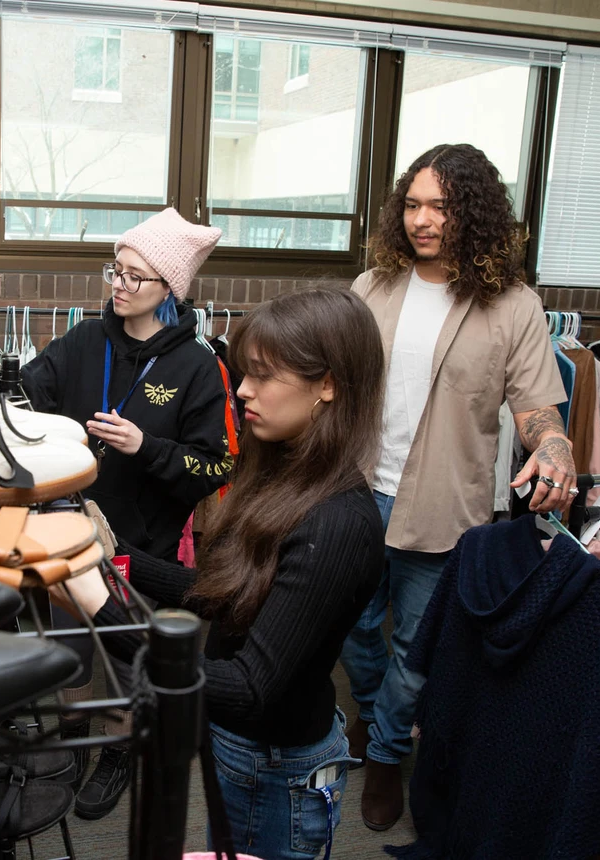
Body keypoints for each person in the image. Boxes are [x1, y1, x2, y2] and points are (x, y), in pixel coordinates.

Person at [58, 288, 386, 859]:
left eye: (264, 375)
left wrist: (101, 606)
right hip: (248, 755)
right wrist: (119, 559)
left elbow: (248, 690)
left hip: (277, 769)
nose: (242, 390)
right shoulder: (282, 477)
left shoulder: (336, 523)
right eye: (243, 372)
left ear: (328, 384)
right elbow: (227, 595)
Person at [339, 142, 575, 831]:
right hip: (356, 492)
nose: (423, 219)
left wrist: (555, 451)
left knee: (418, 648)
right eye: (412, 204)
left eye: (440, 206)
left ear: (472, 212)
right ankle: (374, 711)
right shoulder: (372, 287)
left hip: (442, 507)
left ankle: (384, 755)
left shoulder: (513, 306)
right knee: (352, 627)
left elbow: (537, 410)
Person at [21, 207, 232, 819]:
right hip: (67, 529)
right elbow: (31, 394)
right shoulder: (87, 338)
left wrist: (149, 449)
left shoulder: (197, 367)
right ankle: (74, 742)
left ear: (169, 290)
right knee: (68, 648)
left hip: (143, 550)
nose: (118, 284)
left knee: (123, 656)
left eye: (135, 276)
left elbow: (215, 467)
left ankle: (117, 748)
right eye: (115, 269)